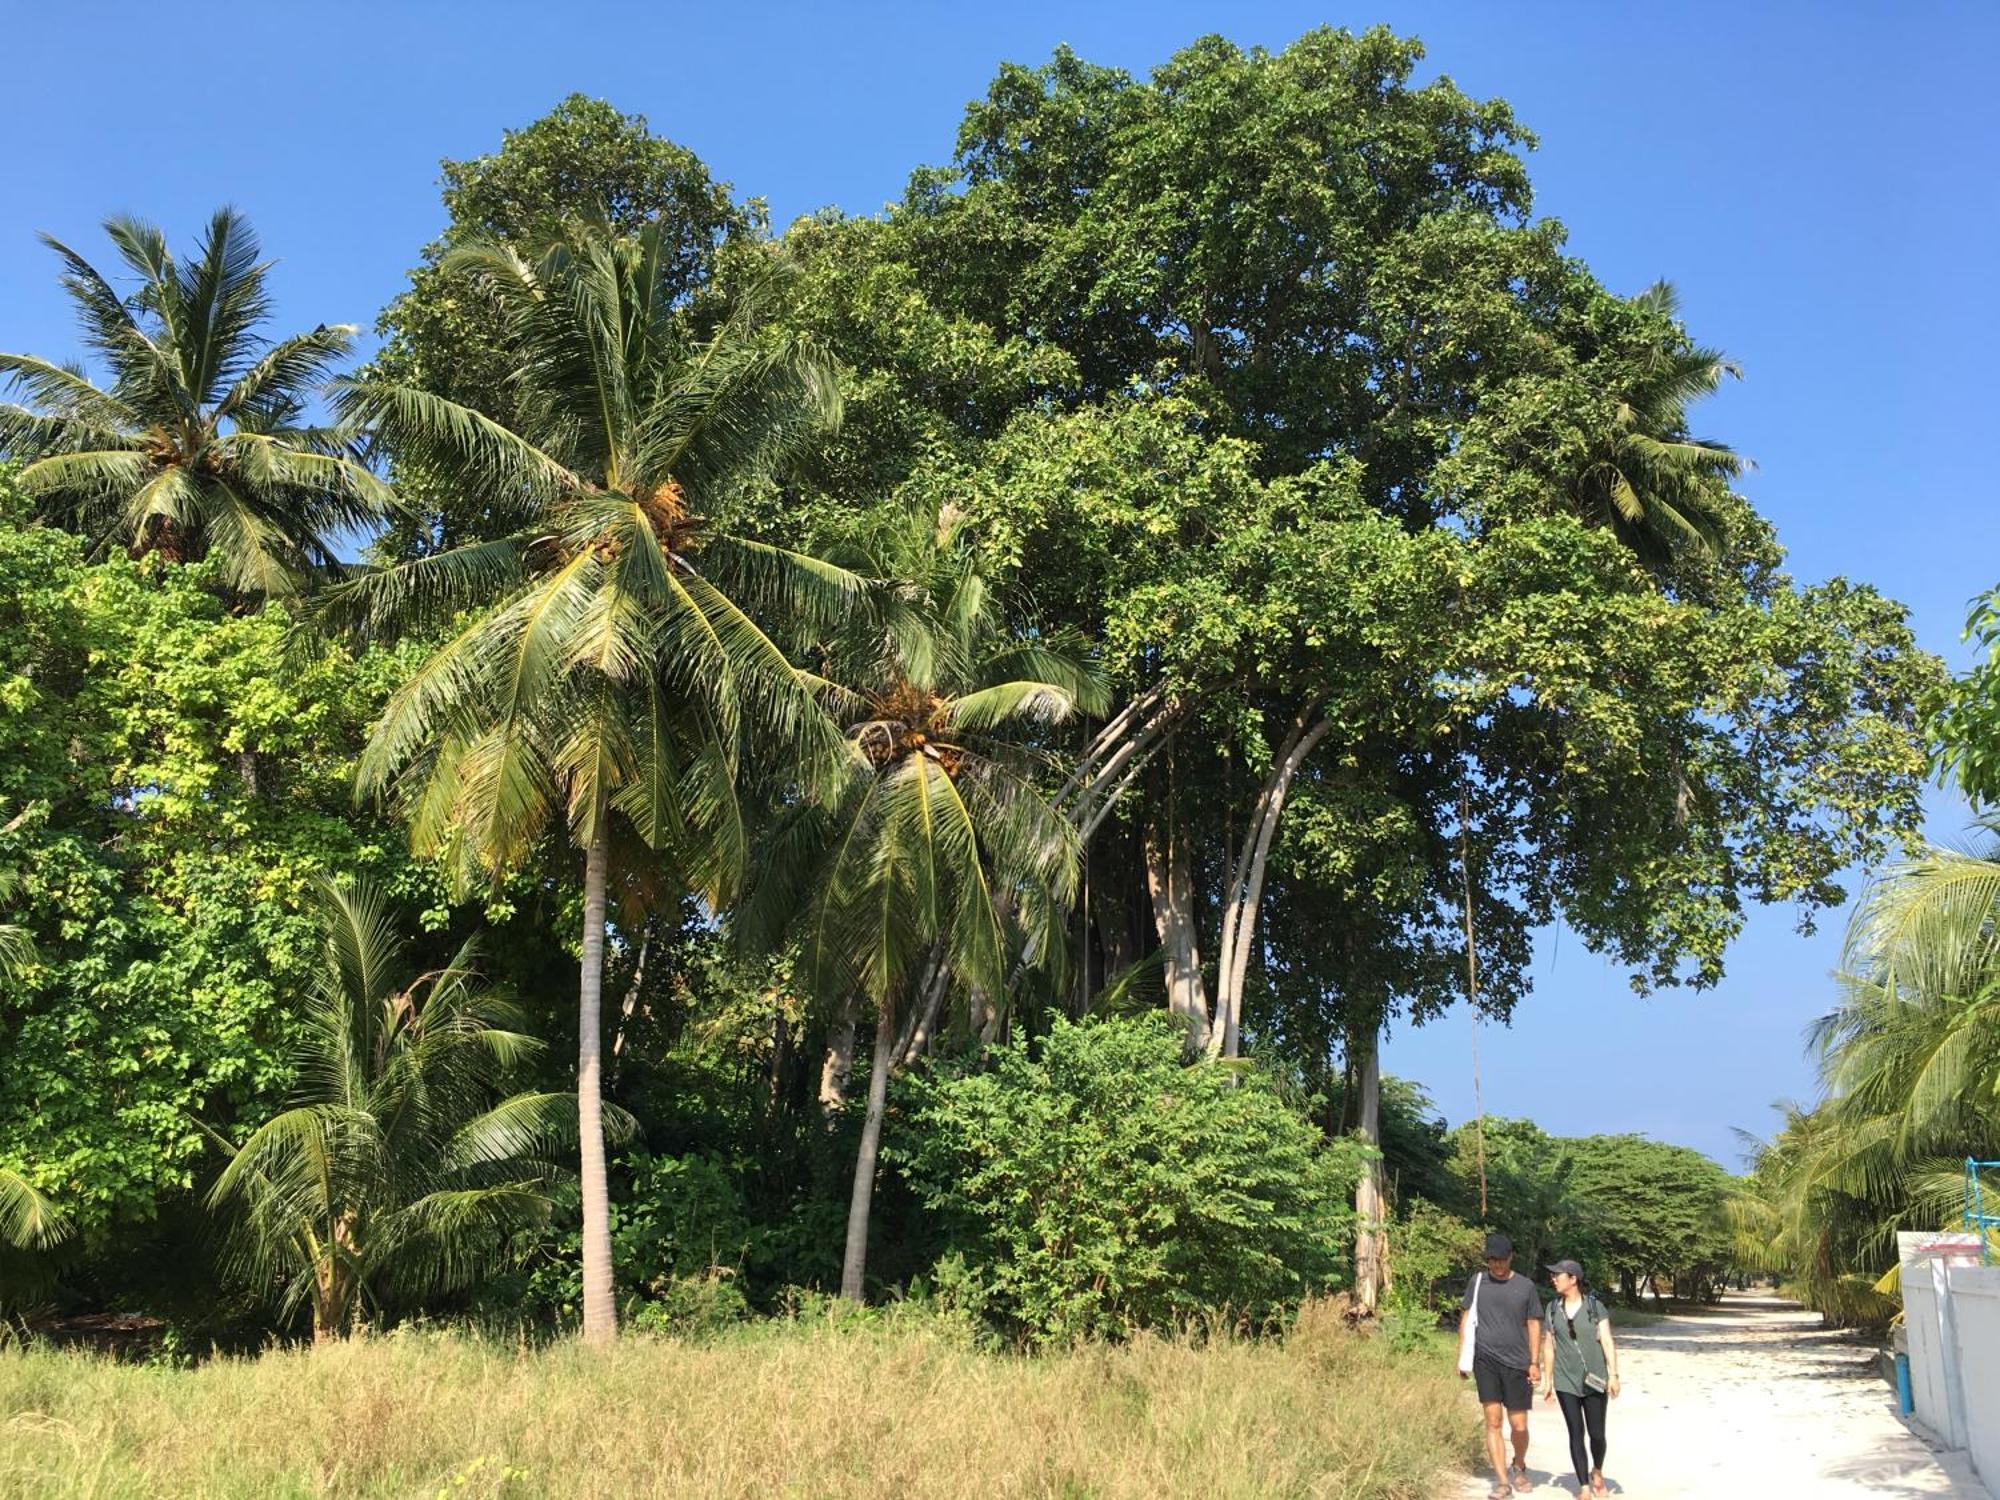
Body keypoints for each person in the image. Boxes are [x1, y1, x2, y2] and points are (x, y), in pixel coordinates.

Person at [1458, 1233, 1543, 1497]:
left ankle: (1519, 1465)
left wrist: (1534, 1362)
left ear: (1510, 1257)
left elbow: (1533, 1324)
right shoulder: (1478, 1282)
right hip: (1485, 1360)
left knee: (1518, 1424)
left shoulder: (1526, 1286)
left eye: (1501, 1260)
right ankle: (1503, 1481)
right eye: (1492, 1260)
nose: (1496, 1265)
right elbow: (1465, 1317)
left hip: (1517, 1363)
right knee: (1493, 1421)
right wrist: (1462, 1357)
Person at [1537, 1259, 1620, 1498]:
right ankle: (1583, 1486)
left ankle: (1597, 1469)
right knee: (1575, 1431)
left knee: (1597, 1435)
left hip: (1595, 1378)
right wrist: (1548, 1380)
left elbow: (1606, 1340)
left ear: (1573, 1279)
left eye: (1558, 1275)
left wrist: (1613, 1375)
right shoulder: (1552, 1309)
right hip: (1566, 1381)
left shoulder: (1595, 1308)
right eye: (1552, 1276)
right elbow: (1550, 1347)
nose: (1553, 1279)